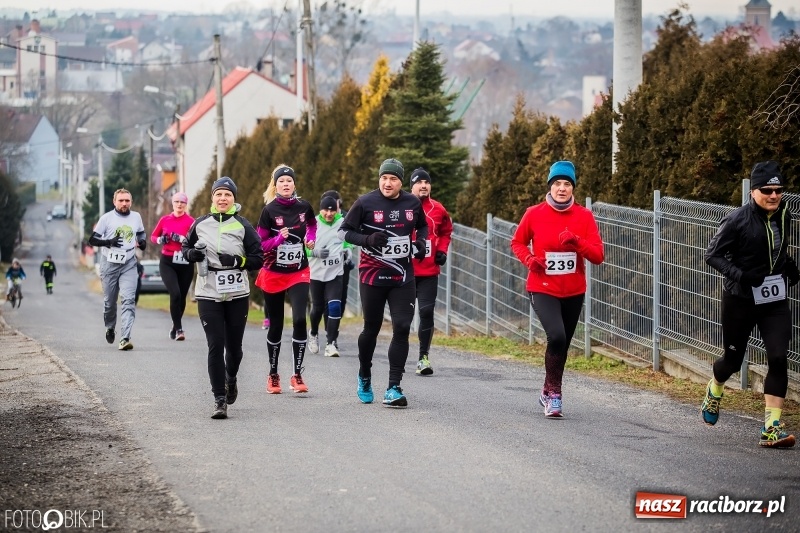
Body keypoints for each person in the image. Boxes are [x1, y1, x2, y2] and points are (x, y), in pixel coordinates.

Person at [702, 160, 797, 448]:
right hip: (740, 299)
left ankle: (771, 428)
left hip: (773, 299)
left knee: (779, 358)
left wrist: (789, 267)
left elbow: (776, 248)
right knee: (731, 361)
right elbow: (712, 255)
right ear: (753, 191)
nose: (774, 195)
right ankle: (715, 389)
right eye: (767, 190)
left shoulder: (785, 215)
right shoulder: (737, 220)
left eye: (779, 190)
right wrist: (742, 276)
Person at [510, 161, 604, 418]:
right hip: (541, 286)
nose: (561, 189)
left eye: (566, 184)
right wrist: (530, 260)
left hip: (573, 290)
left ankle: (547, 387)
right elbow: (517, 242)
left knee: (563, 345)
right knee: (557, 337)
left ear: (572, 187)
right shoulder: (534, 213)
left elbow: (598, 255)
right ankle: (555, 395)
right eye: (557, 184)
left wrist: (578, 243)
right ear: (550, 187)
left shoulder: (584, 216)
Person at [339, 158, 428, 407]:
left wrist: (420, 244)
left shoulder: (412, 202)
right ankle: (365, 374)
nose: (387, 183)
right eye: (384, 178)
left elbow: (422, 227)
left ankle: (393, 387)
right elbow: (343, 232)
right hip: (373, 277)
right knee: (372, 328)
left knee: (402, 326)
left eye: (393, 179)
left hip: (403, 276)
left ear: (401, 182)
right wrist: (367, 240)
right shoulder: (365, 202)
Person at [182, 176, 264, 419]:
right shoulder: (200, 224)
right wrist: (191, 255)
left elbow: (258, 258)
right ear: (212, 198)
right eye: (218, 194)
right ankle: (219, 399)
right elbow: (185, 248)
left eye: (227, 195)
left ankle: (231, 378)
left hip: (237, 292)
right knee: (215, 345)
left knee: (235, 349)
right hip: (208, 291)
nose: (222, 198)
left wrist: (237, 261)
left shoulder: (243, 226)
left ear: (233, 200)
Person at [255, 164, 317, 394]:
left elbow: (312, 225)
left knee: (300, 319)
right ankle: (273, 374)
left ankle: (297, 375)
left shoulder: (304, 207)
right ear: (276, 185)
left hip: (298, 271)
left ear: (294, 184)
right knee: (277, 325)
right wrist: (278, 240)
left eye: (289, 180)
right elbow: (261, 244)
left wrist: (310, 240)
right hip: (273, 273)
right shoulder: (269, 211)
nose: (286, 184)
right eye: (281, 181)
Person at [88, 189, 147, 351]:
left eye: (127, 200)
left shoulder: (136, 217)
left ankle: (125, 337)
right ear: (114, 202)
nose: (124, 203)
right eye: (121, 200)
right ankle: (110, 326)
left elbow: (141, 233)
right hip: (109, 263)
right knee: (110, 302)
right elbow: (92, 239)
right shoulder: (106, 218)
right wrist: (108, 241)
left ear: (131, 202)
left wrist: (142, 242)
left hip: (129, 262)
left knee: (128, 300)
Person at [408, 168, 453, 376]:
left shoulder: (438, 209)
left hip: (428, 273)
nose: (424, 186)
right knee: (404, 318)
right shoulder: (403, 207)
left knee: (426, 312)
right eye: (419, 182)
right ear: (412, 186)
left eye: (427, 182)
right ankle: (399, 356)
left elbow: (446, 231)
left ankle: (423, 358)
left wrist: (442, 251)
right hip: (405, 272)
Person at [307, 194, 352, 358]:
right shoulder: (313, 224)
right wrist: (314, 252)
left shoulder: (342, 222)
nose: (329, 214)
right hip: (317, 273)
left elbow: (347, 240)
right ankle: (313, 333)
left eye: (332, 210)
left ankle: (331, 343)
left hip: (335, 273)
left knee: (334, 306)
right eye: (326, 210)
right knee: (318, 308)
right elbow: (303, 248)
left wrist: (348, 250)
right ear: (321, 210)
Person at [151, 191, 196, 341]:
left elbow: (196, 241)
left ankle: (175, 325)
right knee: (175, 294)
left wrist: (183, 239)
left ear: (185, 204)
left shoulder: (191, 221)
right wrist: (160, 240)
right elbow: (153, 236)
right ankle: (179, 330)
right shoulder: (165, 220)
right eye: (177, 202)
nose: (179, 205)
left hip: (185, 262)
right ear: (172, 203)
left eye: (182, 202)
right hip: (168, 261)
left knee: (182, 297)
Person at [322, 190, 355, 320]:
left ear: (338, 203)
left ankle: (336, 323)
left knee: (342, 294)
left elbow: (352, 235)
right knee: (327, 296)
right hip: (324, 263)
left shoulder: (348, 217)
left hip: (343, 262)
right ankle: (328, 325)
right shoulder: (319, 219)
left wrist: (348, 248)